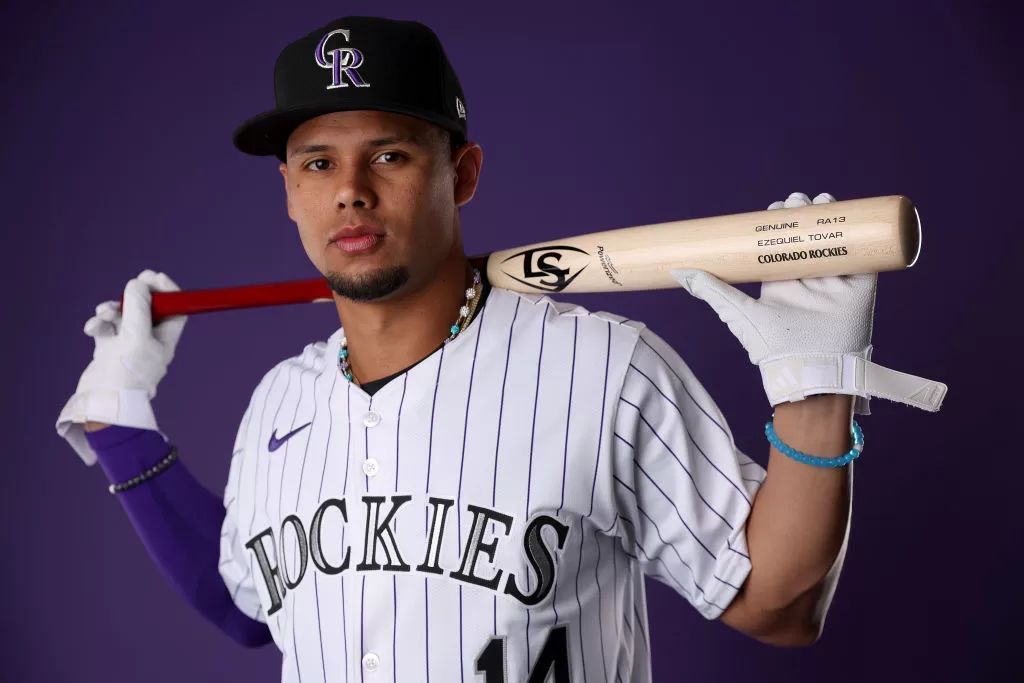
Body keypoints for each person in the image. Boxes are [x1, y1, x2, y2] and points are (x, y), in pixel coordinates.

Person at [55, 15, 946, 683]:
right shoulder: (278, 403)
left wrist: (815, 387)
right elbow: (249, 607)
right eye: (318, 162)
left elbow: (781, 606)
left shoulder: (604, 370)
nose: (351, 193)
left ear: (463, 173)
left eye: (391, 155)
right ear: (288, 190)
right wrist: (122, 422)